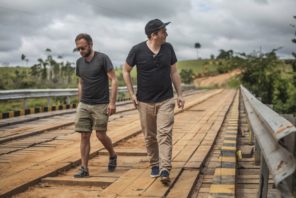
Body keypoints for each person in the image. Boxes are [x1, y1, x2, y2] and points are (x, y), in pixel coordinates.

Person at [123, 19, 185, 185]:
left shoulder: (168, 48)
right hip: (144, 101)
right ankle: (155, 164)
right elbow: (126, 71)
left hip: (166, 99)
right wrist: (131, 94)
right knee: (150, 137)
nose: (166, 34)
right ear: (154, 35)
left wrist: (179, 94)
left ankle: (165, 168)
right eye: (163, 31)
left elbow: (174, 73)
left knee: (164, 134)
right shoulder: (137, 50)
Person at [74, 33, 118, 178]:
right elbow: (81, 82)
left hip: (101, 104)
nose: (80, 51)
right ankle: (84, 168)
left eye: (83, 47)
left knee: (100, 134)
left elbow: (114, 79)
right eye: (78, 48)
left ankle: (112, 155)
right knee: (84, 136)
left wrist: (112, 102)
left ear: (91, 45)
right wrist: (80, 101)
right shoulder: (79, 62)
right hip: (84, 104)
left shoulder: (102, 58)